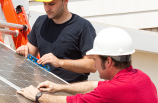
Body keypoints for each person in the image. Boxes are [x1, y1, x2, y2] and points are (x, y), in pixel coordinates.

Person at [17, 27, 158, 103]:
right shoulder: (141, 77)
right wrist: (59, 87)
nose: (94, 63)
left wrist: (38, 96)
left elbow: (72, 102)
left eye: (95, 58)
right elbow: (94, 85)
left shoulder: (112, 90)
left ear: (108, 61)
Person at [16, 0, 96, 83]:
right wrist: (24, 51)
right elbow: (30, 53)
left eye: (52, 4)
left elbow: (92, 65)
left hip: (70, 93)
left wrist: (60, 62)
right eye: (44, 4)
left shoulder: (83, 27)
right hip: (44, 89)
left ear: (65, 0)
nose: (47, 8)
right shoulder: (40, 22)